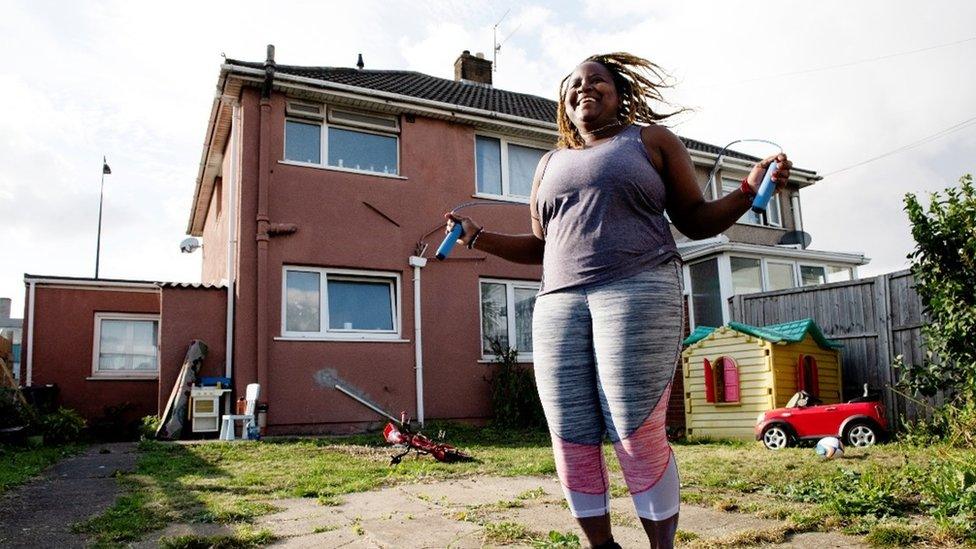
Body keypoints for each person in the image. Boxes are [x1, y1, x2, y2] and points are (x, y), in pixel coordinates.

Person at [446, 52, 791, 549]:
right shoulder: (548, 164)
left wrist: (745, 192)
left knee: (634, 430)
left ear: (619, 92)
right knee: (570, 436)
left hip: (637, 287)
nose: (583, 89)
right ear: (565, 105)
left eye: (596, 81)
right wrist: (479, 238)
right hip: (558, 302)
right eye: (573, 86)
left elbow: (694, 218)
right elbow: (543, 247)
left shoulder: (649, 141)